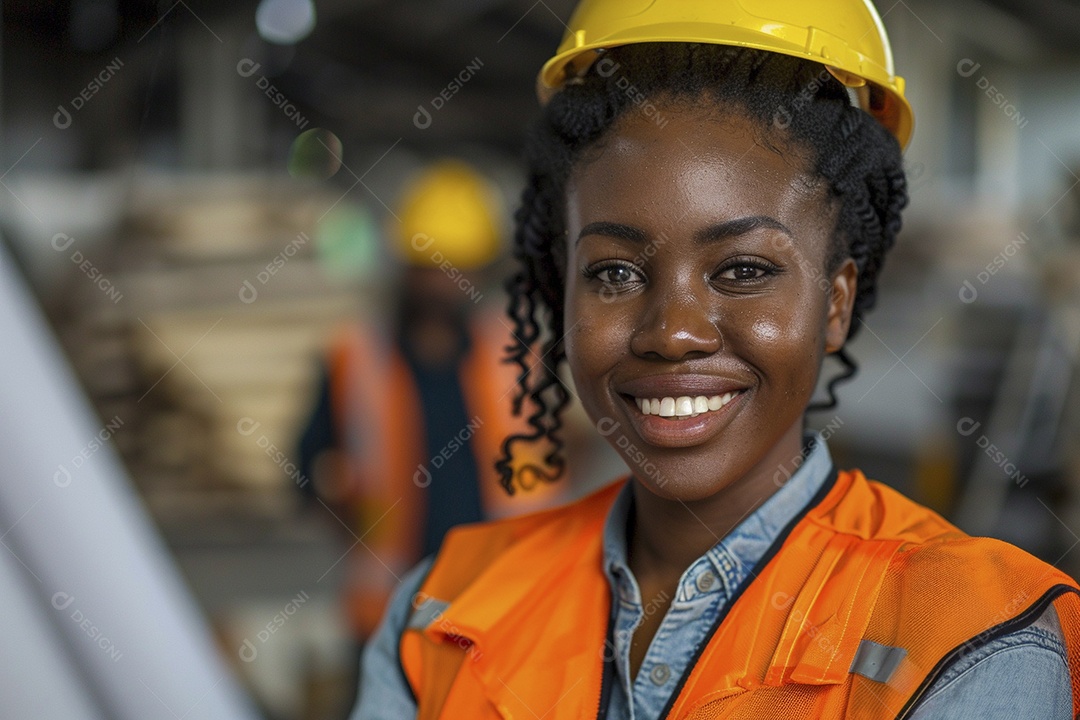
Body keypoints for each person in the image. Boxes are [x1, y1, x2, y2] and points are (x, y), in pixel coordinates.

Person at [353, 2, 1080, 718]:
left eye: (742, 271)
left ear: (834, 301)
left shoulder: (971, 643)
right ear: (559, 291)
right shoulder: (441, 610)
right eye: (614, 273)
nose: (672, 333)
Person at [298, 160, 561, 641]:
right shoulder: (356, 361)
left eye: (456, 268)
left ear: (480, 272)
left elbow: (569, 448)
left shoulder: (517, 357)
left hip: (502, 606)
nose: (443, 283)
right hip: (391, 613)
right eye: (432, 268)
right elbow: (305, 471)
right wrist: (351, 526)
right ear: (406, 268)